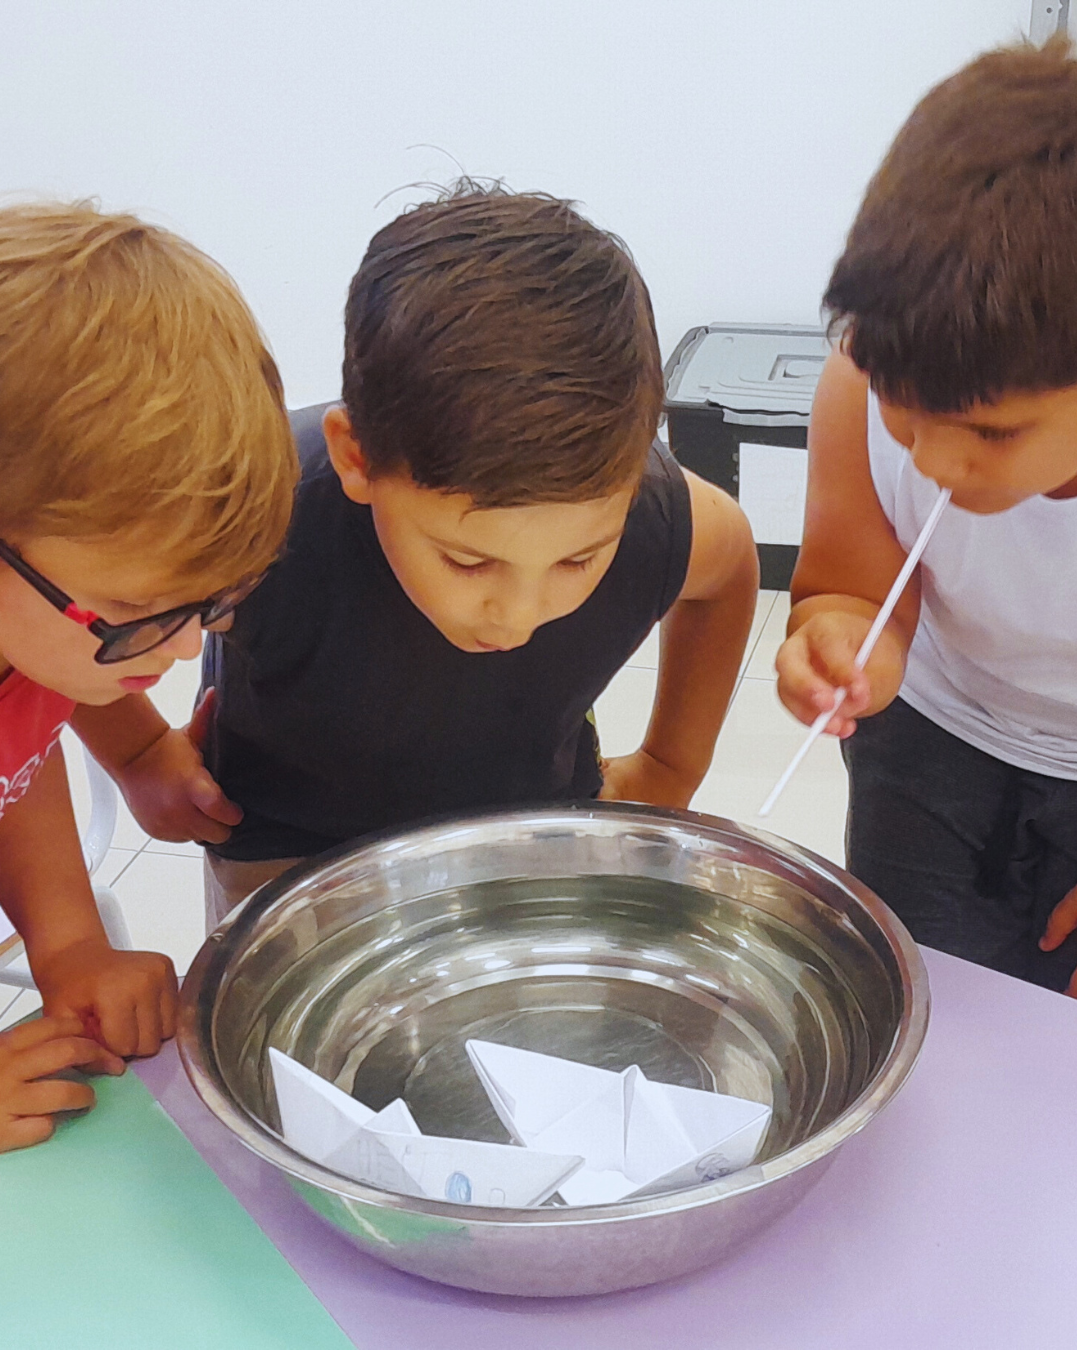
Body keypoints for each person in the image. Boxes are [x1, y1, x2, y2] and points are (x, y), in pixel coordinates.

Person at [83, 184, 758, 926]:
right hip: (287, 849)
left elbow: (727, 569)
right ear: (356, 458)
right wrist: (138, 752)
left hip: (531, 828)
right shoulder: (253, 513)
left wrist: (670, 764)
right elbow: (64, 602)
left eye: (577, 561)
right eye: (469, 562)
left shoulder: (648, 514)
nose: (516, 616)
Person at [776, 37, 1077, 996]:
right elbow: (852, 587)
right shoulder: (855, 387)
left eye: (992, 431)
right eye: (903, 408)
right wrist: (840, 639)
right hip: (935, 734)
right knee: (916, 986)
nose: (936, 461)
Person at [0, 203, 298, 1149]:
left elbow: (16, 764)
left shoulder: (39, 638)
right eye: (134, 615)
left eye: (208, 604)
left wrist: (69, 944)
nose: (178, 651)